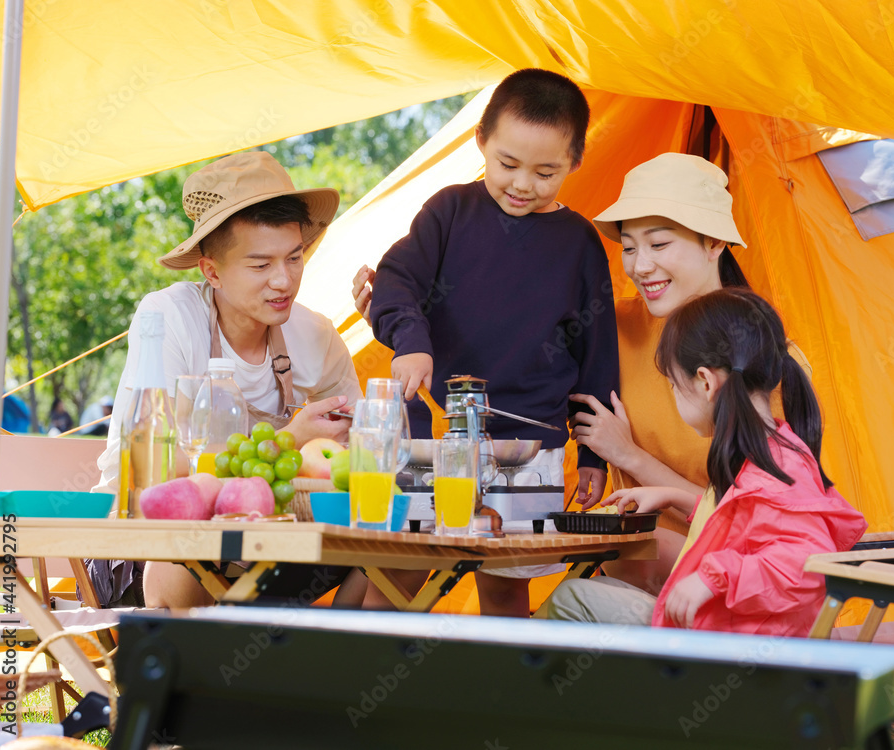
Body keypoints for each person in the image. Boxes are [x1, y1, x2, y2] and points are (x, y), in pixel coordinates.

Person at [361, 68, 619, 616]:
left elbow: (596, 356)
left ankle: (500, 691)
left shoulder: (580, 244)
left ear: (576, 161)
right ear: (481, 141)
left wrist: (593, 453)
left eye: (546, 171)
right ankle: (363, 678)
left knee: (506, 585)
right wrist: (410, 340)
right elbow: (396, 279)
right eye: (507, 164)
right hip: (437, 436)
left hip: (531, 453)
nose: (523, 184)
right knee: (403, 569)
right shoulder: (450, 211)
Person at [92, 151, 364, 609]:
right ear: (212, 270)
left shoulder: (315, 334)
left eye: (294, 258)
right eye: (261, 265)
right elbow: (146, 469)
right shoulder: (168, 317)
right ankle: (184, 677)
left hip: (269, 547)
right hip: (144, 546)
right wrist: (287, 441)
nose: (284, 280)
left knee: (397, 551)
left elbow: (368, 450)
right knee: (183, 546)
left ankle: (335, 672)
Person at [549, 288, 867, 634]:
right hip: (737, 630)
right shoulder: (774, 450)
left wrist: (712, 578)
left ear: (704, 382)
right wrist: (675, 498)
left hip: (742, 647)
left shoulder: (772, 469)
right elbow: (751, 523)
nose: (673, 394)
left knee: (571, 598)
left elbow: (808, 565)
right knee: (606, 586)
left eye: (673, 384)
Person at [567, 153, 811, 596]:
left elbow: (761, 526)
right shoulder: (610, 330)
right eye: (628, 247)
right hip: (621, 569)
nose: (640, 266)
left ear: (714, 243)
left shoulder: (764, 360)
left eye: (659, 245)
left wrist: (629, 456)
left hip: (718, 589)